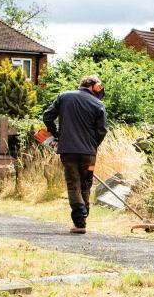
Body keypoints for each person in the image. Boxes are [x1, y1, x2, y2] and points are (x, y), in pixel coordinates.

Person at [42, 75, 108, 234]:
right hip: (89, 155)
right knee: (86, 183)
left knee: (73, 184)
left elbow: (47, 117)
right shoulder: (98, 104)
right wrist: (93, 146)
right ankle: (83, 218)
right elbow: (102, 130)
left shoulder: (64, 97)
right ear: (94, 86)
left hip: (68, 152)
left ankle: (79, 222)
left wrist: (56, 134)